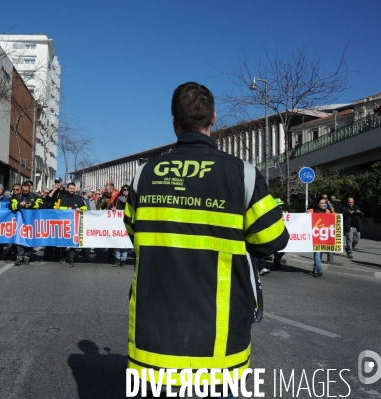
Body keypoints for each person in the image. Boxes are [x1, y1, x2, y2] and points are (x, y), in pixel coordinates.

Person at [123, 82, 288, 395]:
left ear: (174, 121)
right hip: (218, 344)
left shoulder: (144, 175)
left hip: (153, 341)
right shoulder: (243, 175)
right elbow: (273, 240)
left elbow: (135, 232)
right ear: (213, 118)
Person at [9, 181, 43, 266]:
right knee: (19, 239)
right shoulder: (17, 197)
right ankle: (20, 256)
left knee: (29, 238)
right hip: (20, 222)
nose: (25, 192)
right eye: (24, 191)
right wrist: (19, 204)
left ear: (29, 189)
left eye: (27, 190)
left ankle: (27, 256)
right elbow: (11, 205)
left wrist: (31, 204)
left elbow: (41, 204)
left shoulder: (34, 196)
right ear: (21, 189)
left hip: (30, 222)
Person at [57, 182, 87, 267]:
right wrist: (69, 209)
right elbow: (56, 208)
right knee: (62, 240)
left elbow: (85, 208)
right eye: (70, 188)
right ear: (67, 189)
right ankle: (63, 256)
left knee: (73, 242)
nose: (72, 190)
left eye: (73, 188)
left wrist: (80, 210)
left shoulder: (79, 198)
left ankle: (71, 259)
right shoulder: (61, 198)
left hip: (74, 224)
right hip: (63, 223)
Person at [307, 196, 331, 276]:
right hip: (314, 235)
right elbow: (303, 220)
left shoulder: (327, 212)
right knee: (317, 252)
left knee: (320, 253)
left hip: (323, 235)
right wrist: (306, 214)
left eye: (324, 203)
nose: (323, 205)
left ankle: (315, 268)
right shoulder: (311, 211)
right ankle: (319, 268)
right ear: (317, 204)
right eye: (321, 203)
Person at [112, 184, 130, 267]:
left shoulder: (132, 199)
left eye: (127, 189)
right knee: (118, 241)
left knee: (125, 241)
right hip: (118, 222)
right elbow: (110, 208)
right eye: (124, 189)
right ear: (122, 190)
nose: (126, 191)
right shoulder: (117, 199)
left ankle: (123, 259)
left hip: (128, 223)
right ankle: (117, 259)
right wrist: (113, 208)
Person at [273, 198, 289, 271]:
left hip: (283, 233)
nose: (280, 207)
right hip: (275, 233)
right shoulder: (270, 213)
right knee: (276, 249)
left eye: (281, 205)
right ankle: (277, 261)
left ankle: (277, 260)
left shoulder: (285, 212)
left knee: (283, 249)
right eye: (278, 205)